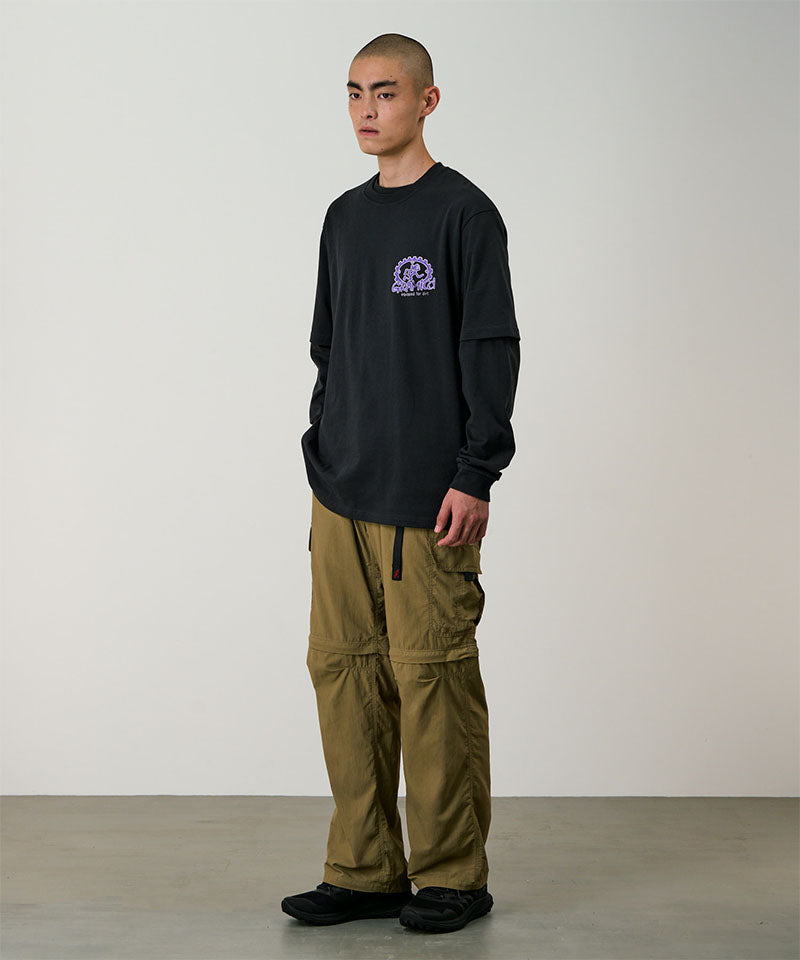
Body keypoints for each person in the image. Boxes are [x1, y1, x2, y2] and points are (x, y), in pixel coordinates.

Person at [281, 32, 521, 934]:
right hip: (341, 490)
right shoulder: (343, 217)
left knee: (433, 681)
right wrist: (325, 440)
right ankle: (364, 868)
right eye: (353, 93)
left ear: (426, 101)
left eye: (384, 92)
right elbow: (328, 346)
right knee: (343, 676)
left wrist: (476, 472)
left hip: (429, 500)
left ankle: (452, 874)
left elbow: (490, 348)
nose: (366, 110)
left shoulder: (465, 214)